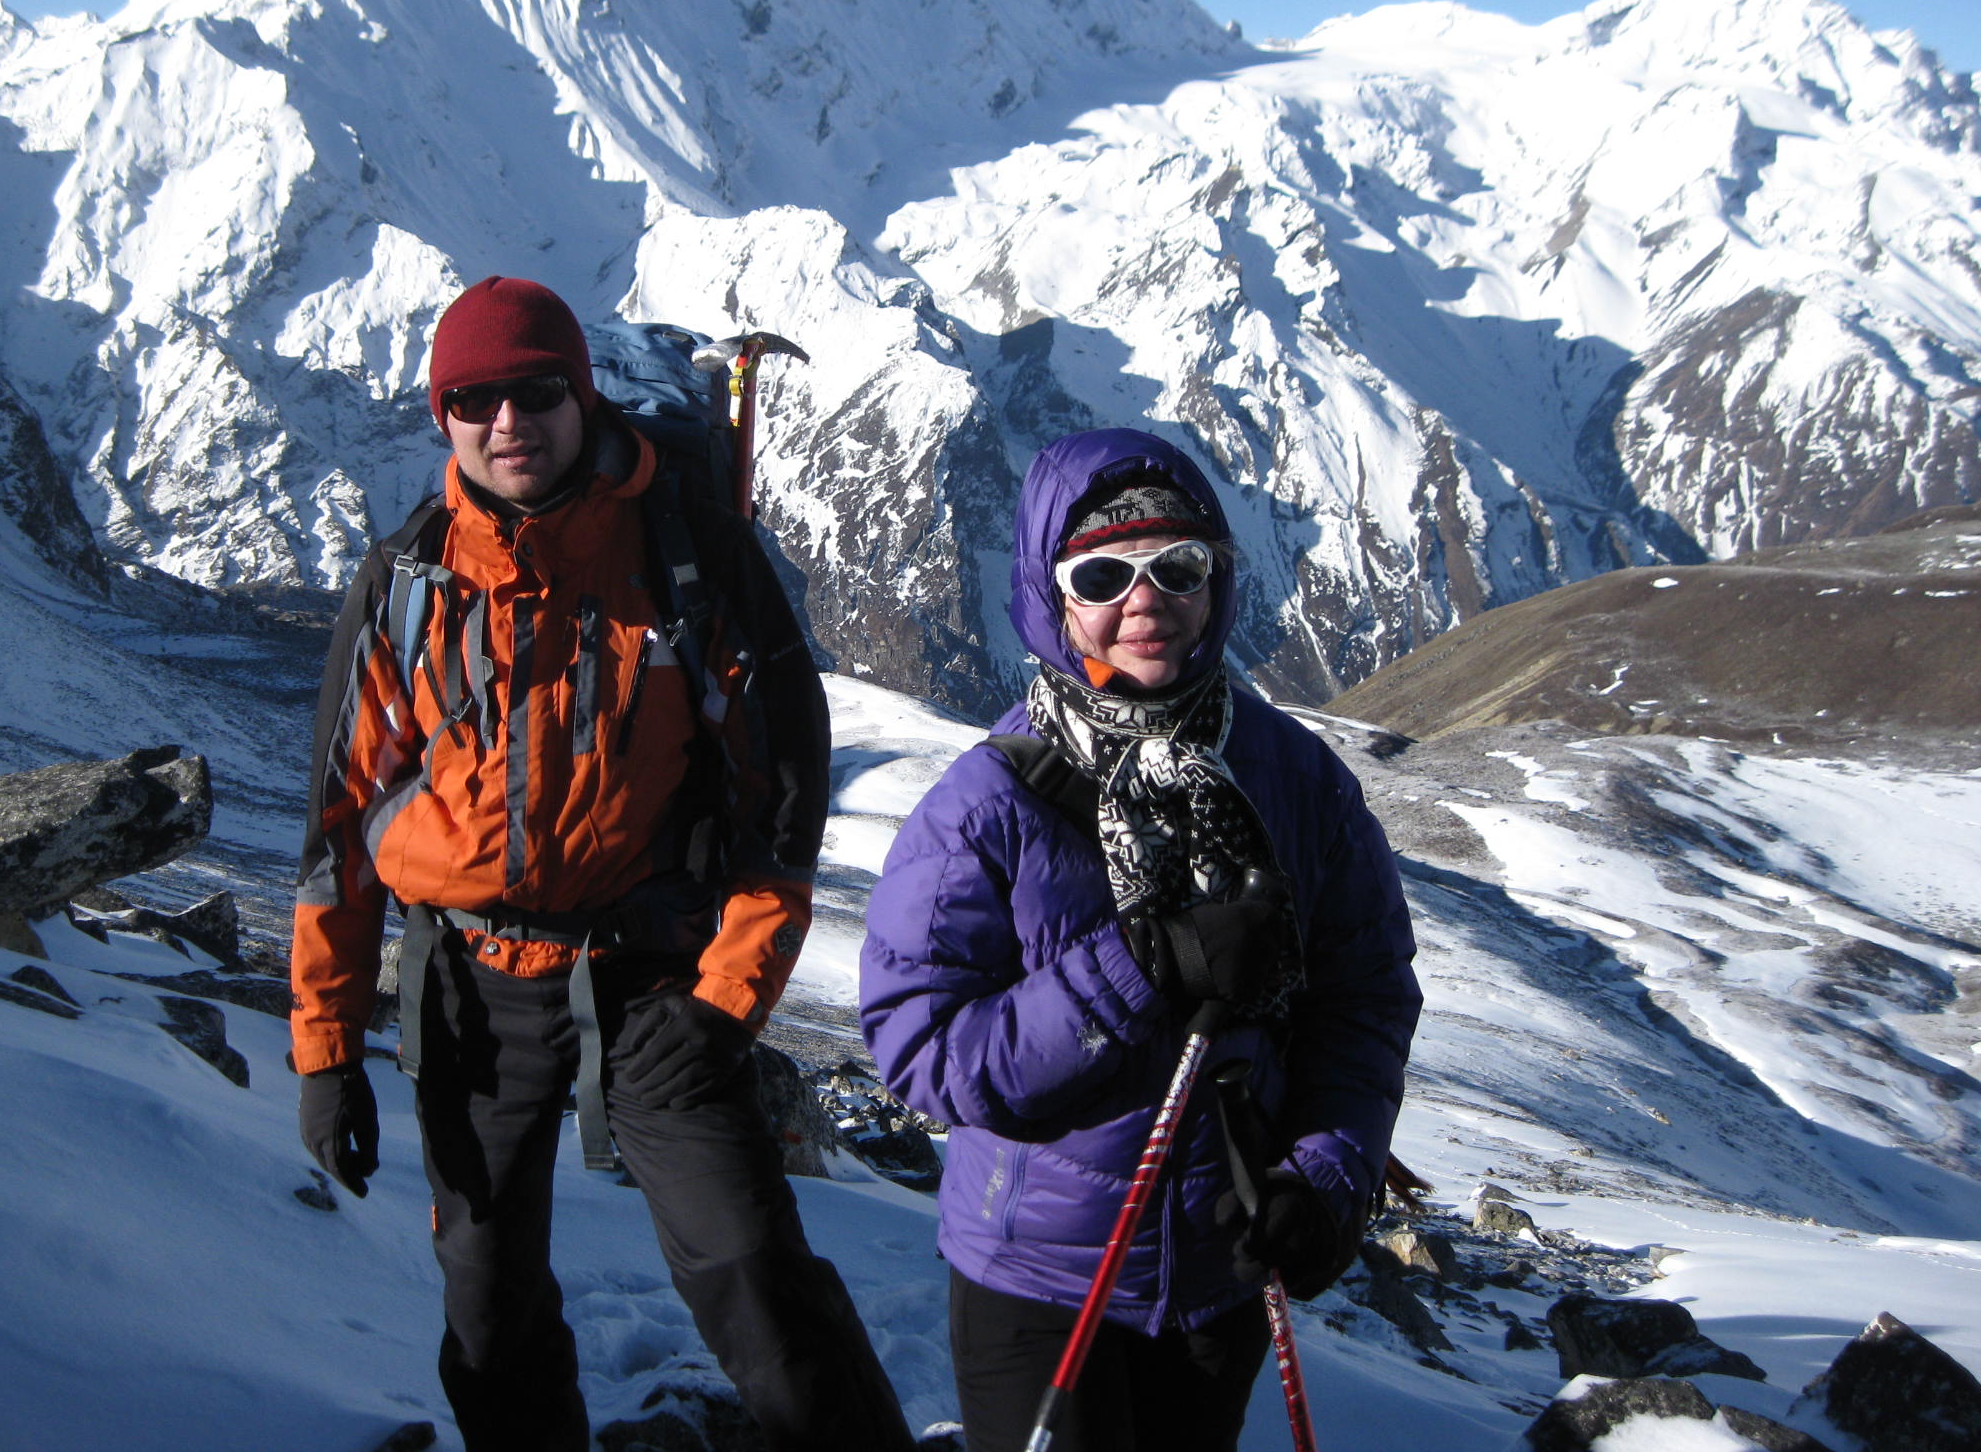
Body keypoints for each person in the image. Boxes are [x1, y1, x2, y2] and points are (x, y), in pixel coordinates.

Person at [291, 276, 914, 1452]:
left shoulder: (690, 560)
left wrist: (726, 1004)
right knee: (486, 1304)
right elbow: (338, 834)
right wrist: (326, 1053)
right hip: (471, 990)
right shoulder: (407, 585)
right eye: (475, 398)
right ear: (443, 415)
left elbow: (778, 808)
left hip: (655, 987)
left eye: (537, 392)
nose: (507, 423)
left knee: (754, 1281)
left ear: (582, 398)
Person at [859, 427, 1421, 1452]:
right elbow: (922, 1049)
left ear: (1217, 583)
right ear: (1050, 594)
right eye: (1103, 574)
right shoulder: (988, 804)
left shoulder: (1296, 781)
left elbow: (1364, 995)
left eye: (1179, 566)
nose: (1145, 599)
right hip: (1039, 1281)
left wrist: (1329, 1173)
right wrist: (1142, 967)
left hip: (1223, 1270)